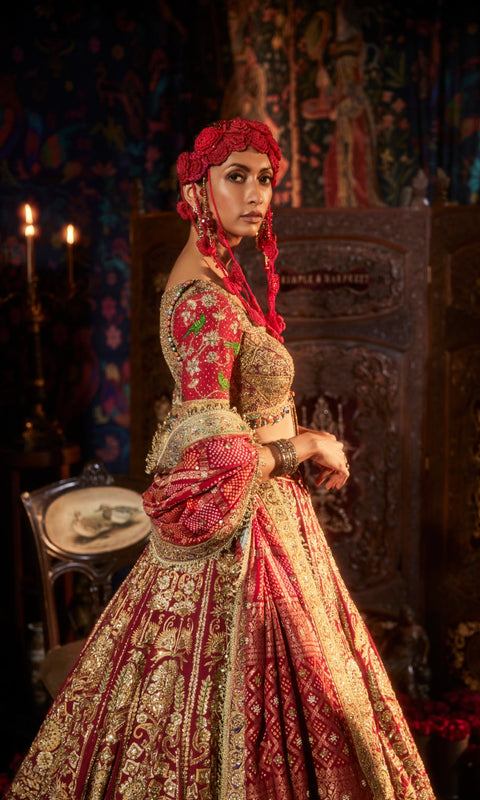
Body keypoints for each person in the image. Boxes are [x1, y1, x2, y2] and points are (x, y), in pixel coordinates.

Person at [6, 118, 435, 800]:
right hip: (241, 547)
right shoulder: (203, 299)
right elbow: (213, 460)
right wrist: (308, 444)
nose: (256, 193)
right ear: (195, 188)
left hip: (269, 527)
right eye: (235, 177)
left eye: (264, 178)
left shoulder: (217, 278)